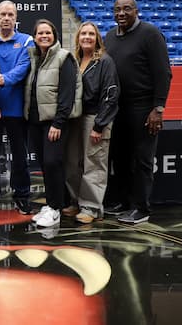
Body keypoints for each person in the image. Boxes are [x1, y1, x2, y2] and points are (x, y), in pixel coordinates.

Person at [104, 0, 172, 224]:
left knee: (142, 160)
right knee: (120, 158)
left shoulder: (151, 33)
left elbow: (163, 73)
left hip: (143, 108)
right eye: (117, 10)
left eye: (127, 9)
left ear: (136, 10)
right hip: (118, 108)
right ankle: (122, 202)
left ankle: (140, 208)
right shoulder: (111, 36)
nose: (121, 13)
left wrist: (158, 108)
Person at [25, 19, 82, 228]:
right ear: (34, 36)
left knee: (52, 163)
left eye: (48, 32)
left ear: (54, 35)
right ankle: (50, 205)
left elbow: (67, 94)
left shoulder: (63, 58)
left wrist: (58, 123)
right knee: (45, 165)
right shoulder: (34, 58)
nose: (44, 36)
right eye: (40, 33)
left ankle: (56, 208)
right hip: (35, 122)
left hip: (54, 123)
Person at [64, 22, 119, 224]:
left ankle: (92, 207)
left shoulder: (105, 61)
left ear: (97, 39)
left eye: (91, 34)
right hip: (75, 118)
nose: (87, 37)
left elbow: (111, 95)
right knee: (72, 162)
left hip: (94, 118)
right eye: (83, 34)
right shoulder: (74, 60)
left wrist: (99, 125)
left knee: (94, 163)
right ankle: (76, 201)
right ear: (77, 37)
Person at [0, 0, 32, 215]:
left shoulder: (26, 41)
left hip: (16, 109)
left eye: (10, 14)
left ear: (15, 18)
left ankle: (21, 195)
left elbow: (23, 68)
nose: (6, 18)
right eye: (3, 14)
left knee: (20, 156)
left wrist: (3, 78)